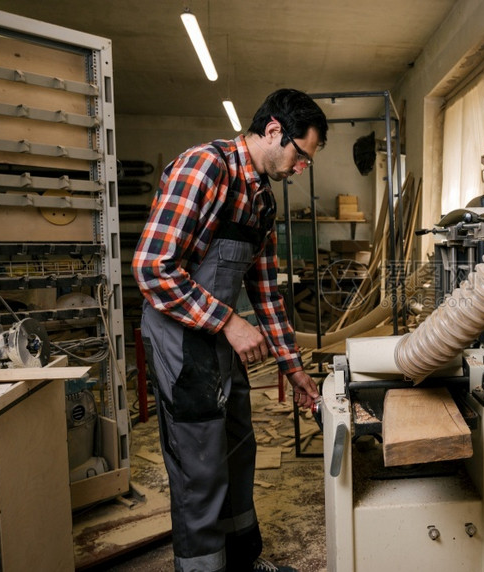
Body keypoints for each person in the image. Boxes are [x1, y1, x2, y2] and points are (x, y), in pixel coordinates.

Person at [132, 88, 327, 572]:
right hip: (181, 335)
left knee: (239, 448)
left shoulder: (262, 202)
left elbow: (265, 292)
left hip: (219, 338)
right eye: (301, 156)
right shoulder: (206, 167)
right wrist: (229, 322)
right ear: (274, 130)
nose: (301, 169)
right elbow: (152, 267)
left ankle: (242, 562)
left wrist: (293, 368)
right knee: (201, 468)